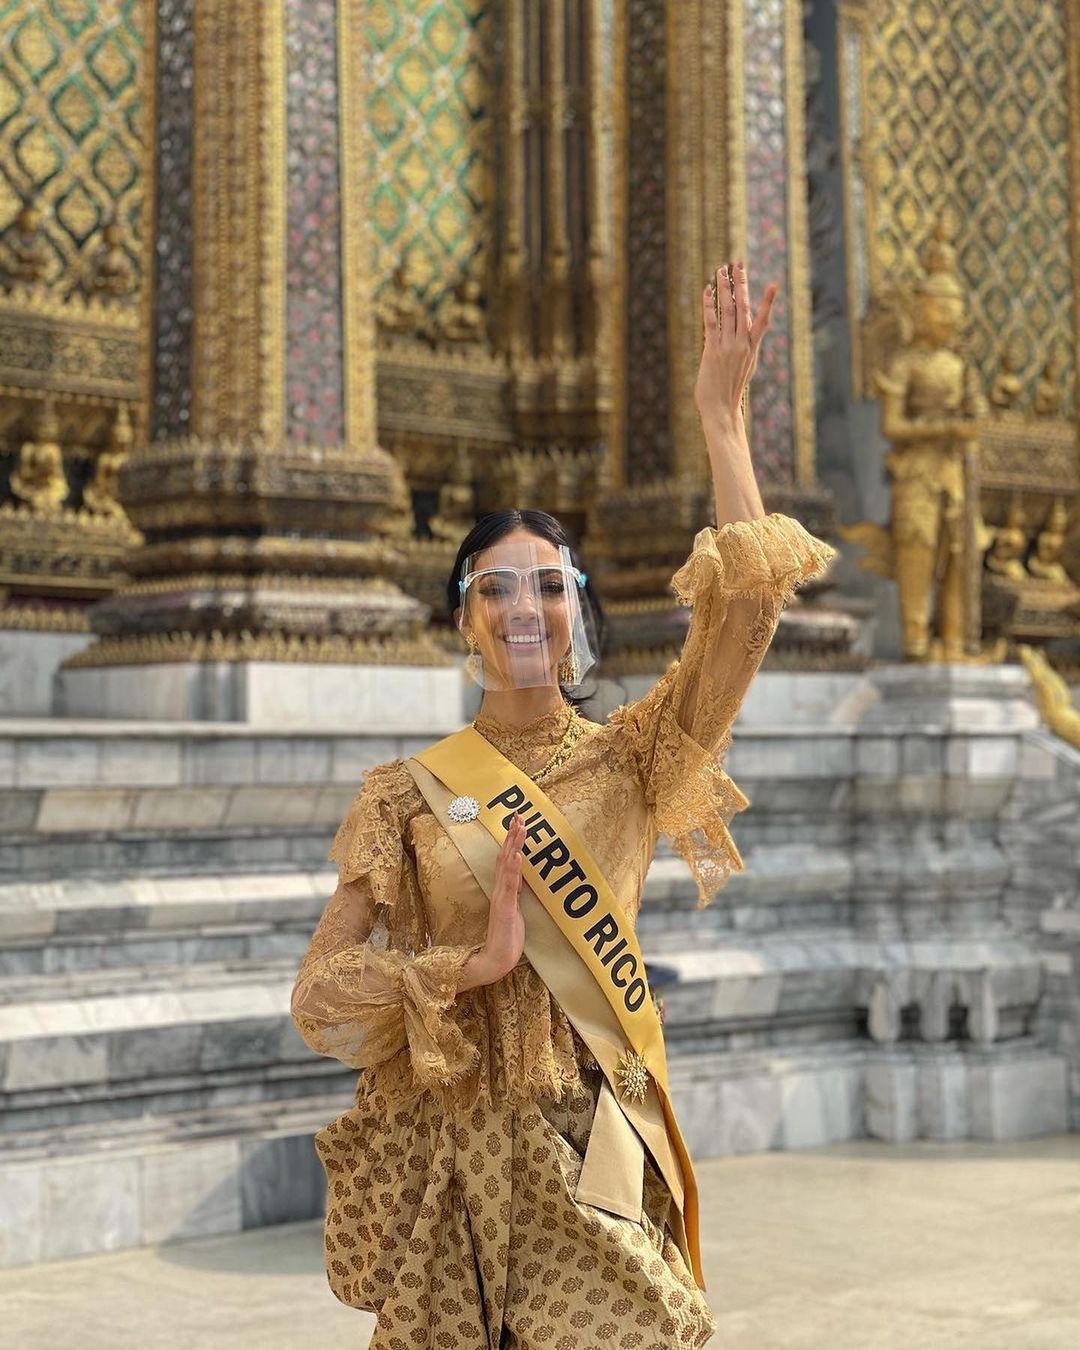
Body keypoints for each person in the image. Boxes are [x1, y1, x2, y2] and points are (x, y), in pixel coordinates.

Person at [290, 263, 835, 1348]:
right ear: (464, 622)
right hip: (448, 1157)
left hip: (592, 1139)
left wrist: (723, 426)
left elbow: (744, 613)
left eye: (549, 583)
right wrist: (461, 969)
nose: (524, 605)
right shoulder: (404, 796)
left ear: (578, 611)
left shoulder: (634, 759)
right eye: (495, 586)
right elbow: (319, 997)